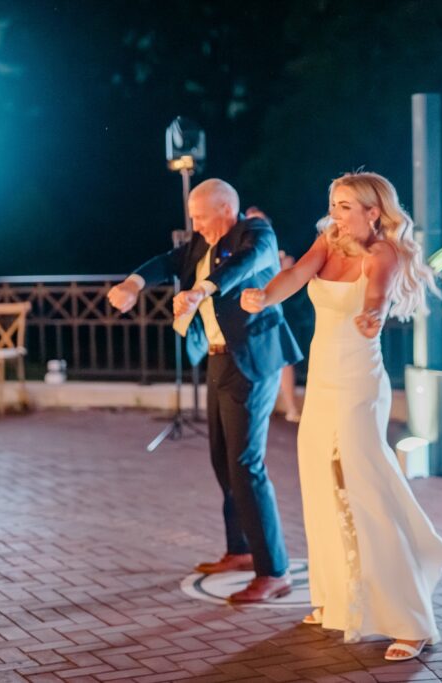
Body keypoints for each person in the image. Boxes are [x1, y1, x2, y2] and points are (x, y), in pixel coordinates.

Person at [241, 171, 442, 661]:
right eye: (333, 204)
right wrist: (264, 296)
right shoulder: (328, 240)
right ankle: (337, 600)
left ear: (372, 212)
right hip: (322, 381)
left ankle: (411, 620)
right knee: (320, 480)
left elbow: (376, 297)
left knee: (365, 484)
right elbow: (295, 276)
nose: (334, 214)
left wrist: (372, 315)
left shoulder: (384, 253)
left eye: (344, 206)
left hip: (359, 380)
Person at [108, 179, 303, 603]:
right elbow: (166, 261)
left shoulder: (256, 233)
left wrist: (201, 290)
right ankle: (241, 549)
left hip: (251, 359)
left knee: (246, 463)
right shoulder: (200, 243)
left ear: (225, 210)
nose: (194, 226)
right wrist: (133, 284)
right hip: (218, 358)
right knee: (222, 459)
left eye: (200, 217)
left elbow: (245, 265)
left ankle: (275, 570)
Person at [245, 206, 301, 423]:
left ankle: (291, 407)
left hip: (274, 308)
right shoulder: (243, 247)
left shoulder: (276, 245)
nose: (255, 226)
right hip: (251, 309)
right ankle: (261, 407)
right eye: (250, 221)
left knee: (282, 357)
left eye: (259, 221)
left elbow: (290, 271)